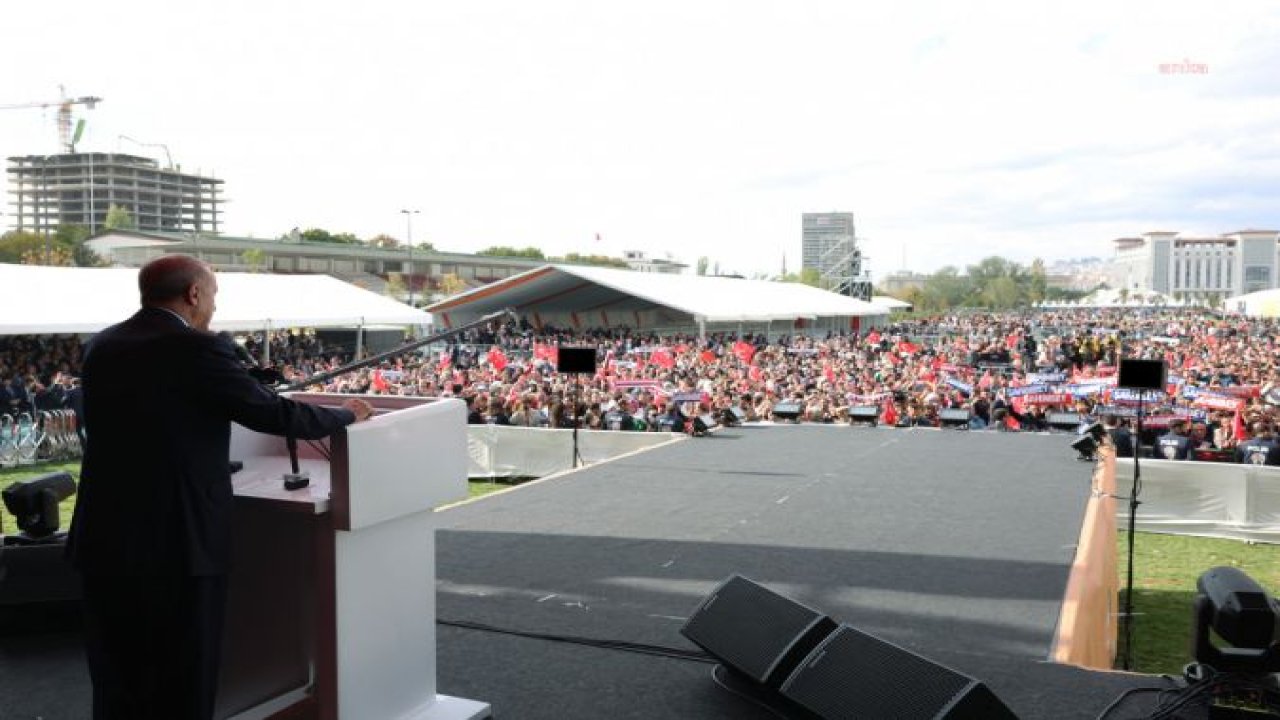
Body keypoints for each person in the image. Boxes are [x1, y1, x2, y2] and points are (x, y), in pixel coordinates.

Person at [66, 255, 374, 720]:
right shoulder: (196, 348)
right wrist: (349, 413)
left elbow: (154, 414)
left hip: (105, 535)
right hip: (176, 542)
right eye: (212, 294)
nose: (213, 305)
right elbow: (276, 416)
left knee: (118, 671)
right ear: (193, 293)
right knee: (180, 672)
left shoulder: (103, 344)